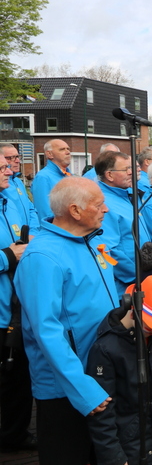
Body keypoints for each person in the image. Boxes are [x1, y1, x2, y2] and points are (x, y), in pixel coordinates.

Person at [15, 177, 116, 465]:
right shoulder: (43, 257)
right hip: (67, 385)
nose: (106, 209)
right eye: (98, 204)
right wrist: (82, 388)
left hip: (97, 371)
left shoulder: (91, 241)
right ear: (75, 210)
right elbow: (46, 331)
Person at [86, 276, 152, 465]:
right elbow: (102, 411)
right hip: (130, 445)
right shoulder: (105, 349)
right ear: (133, 310)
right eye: (151, 327)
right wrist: (114, 456)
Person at [0, 160, 33, 453]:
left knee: (17, 379)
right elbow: (10, 254)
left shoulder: (9, 200)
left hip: (14, 309)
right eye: (1, 168)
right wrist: (9, 257)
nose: (11, 171)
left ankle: (14, 434)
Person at [95, 151, 152, 297]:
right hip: (126, 287)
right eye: (126, 169)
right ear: (109, 175)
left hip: (141, 277)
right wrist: (137, 276)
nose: (132, 173)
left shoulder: (126, 195)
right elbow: (107, 250)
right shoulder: (103, 202)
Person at [31, 139, 73, 221]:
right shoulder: (43, 177)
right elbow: (44, 212)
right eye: (62, 149)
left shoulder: (70, 176)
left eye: (68, 149)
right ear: (49, 154)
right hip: (58, 230)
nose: (67, 152)